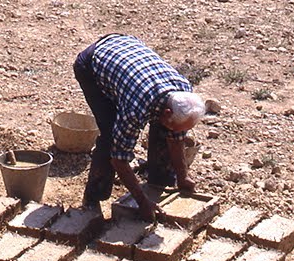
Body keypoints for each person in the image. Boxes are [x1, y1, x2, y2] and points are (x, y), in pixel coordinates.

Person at [73, 34, 206, 219]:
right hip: (94, 64)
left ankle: (159, 185)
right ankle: (92, 201)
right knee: (111, 136)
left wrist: (183, 177)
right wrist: (141, 202)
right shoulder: (136, 110)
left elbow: (176, 139)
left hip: (130, 56)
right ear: (167, 113)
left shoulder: (183, 91)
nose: (180, 133)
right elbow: (119, 158)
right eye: (178, 128)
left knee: (166, 131)